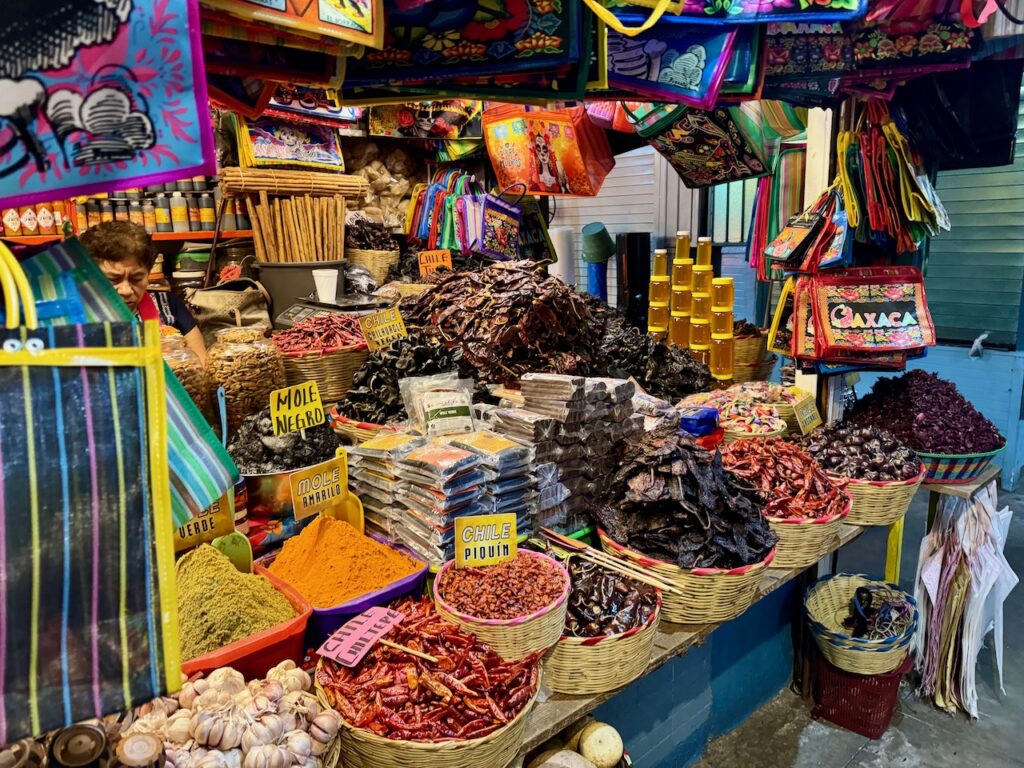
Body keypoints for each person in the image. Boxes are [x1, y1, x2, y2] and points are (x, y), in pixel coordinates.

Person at [80, 221, 207, 363]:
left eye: (137, 278)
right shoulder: (74, 320)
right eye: (113, 279)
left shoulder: (169, 305)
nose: (126, 290)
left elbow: (201, 365)